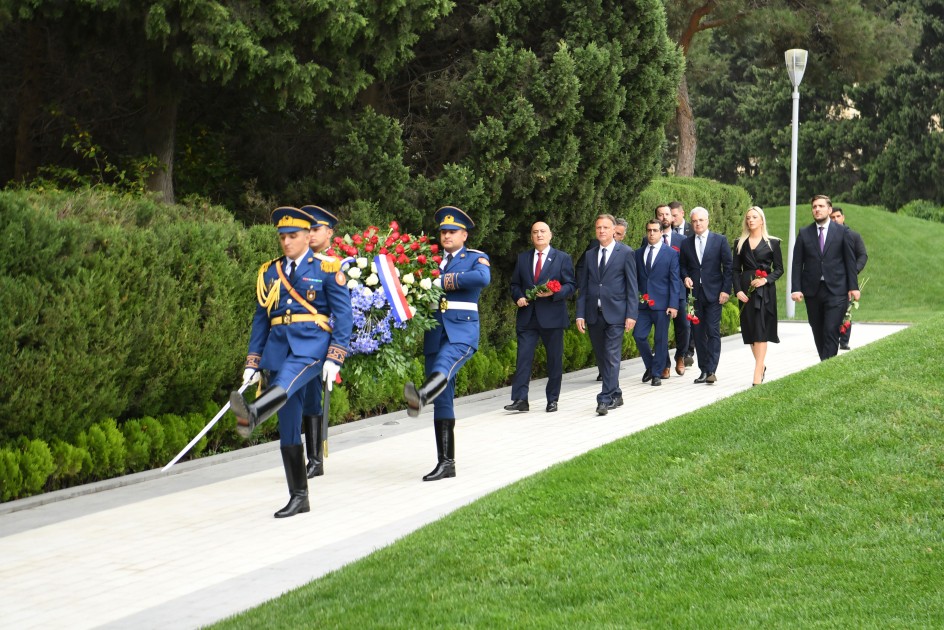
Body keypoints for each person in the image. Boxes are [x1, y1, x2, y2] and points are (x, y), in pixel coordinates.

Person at [230, 206, 352, 518]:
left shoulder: (327, 268)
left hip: (311, 347)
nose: (286, 242)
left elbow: (344, 316)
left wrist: (335, 356)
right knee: (288, 429)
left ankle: (254, 414)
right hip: (278, 350)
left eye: (293, 236)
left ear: (308, 236)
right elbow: (261, 320)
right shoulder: (270, 272)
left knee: (286, 381)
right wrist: (253, 363)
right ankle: (299, 497)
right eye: (282, 237)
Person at [403, 206, 490, 481]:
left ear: (464, 235)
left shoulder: (474, 257)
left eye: (452, 231)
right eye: (443, 232)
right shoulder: (428, 260)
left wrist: (443, 280)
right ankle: (446, 463)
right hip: (435, 333)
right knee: (443, 398)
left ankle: (420, 397)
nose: (447, 236)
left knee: (443, 365)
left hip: (461, 332)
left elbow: (482, 278)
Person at [506, 221, 576, 413]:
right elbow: (514, 285)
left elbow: (571, 285)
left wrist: (555, 292)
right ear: (531, 236)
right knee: (523, 359)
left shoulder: (562, 258)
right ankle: (520, 399)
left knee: (554, 360)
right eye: (535, 232)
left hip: (552, 317)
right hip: (527, 317)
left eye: (543, 231)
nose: (539, 235)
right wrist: (518, 297)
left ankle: (552, 399)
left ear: (550, 235)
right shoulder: (522, 258)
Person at [576, 214, 638, 415]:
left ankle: (604, 399)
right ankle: (616, 393)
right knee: (603, 358)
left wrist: (631, 314)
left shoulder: (626, 253)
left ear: (613, 230)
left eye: (605, 227)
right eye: (598, 227)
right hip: (594, 314)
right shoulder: (590, 255)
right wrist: (580, 314)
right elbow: (584, 287)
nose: (601, 231)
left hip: (616, 314)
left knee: (611, 355)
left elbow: (632, 286)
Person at [791, 195, 860, 361]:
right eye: (814, 206)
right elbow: (797, 263)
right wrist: (796, 288)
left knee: (831, 329)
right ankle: (826, 363)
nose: (817, 209)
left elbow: (850, 261)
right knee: (817, 329)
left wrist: (853, 287)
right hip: (812, 291)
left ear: (829, 210)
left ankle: (827, 366)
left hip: (837, 290)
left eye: (821, 206)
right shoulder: (804, 233)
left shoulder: (843, 232)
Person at [299, 205, 339, 478]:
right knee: (298, 398)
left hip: (319, 341)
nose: (311, 234)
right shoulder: (295, 264)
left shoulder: (334, 265)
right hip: (295, 340)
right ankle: (306, 457)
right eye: (308, 229)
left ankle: (314, 460)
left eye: (316, 229)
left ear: (329, 233)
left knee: (312, 396)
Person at [679, 207, 733, 384]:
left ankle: (711, 370)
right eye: (694, 221)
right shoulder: (686, 243)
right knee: (698, 333)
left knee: (712, 330)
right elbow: (682, 266)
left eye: (701, 220)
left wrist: (726, 290)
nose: (698, 224)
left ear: (708, 221)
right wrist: (685, 277)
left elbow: (728, 267)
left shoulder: (720, 240)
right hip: (693, 296)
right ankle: (703, 370)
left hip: (715, 294)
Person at [732, 206, 784, 385]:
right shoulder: (739, 243)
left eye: (754, 217)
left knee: (761, 329)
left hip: (765, 292)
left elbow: (779, 269)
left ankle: (756, 375)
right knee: (750, 330)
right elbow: (734, 270)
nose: (750, 220)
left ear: (762, 220)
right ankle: (761, 366)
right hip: (745, 290)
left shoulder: (773, 243)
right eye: (748, 218)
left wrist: (765, 280)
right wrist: (737, 290)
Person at [633, 219, 680, 387]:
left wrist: (673, 304)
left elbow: (674, 280)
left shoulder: (671, 253)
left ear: (661, 232)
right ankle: (651, 366)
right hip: (643, 304)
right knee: (638, 335)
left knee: (660, 340)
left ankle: (657, 374)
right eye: (649, 230)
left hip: (662, 305)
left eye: (654, 230)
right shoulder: (638, 253)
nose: (651, 233)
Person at [829, 206, 868, 350]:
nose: (835, 220)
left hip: (846, 280)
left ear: (843, 217)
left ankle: (844, 341)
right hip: (828, 279)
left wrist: (853, 271)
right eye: (832, 217)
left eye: (838, 216)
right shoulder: (824, 236)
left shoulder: (853, 236)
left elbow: (863, 255)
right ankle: (829, 338)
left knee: (845, 309)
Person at [669, 200, 695, 367]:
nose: (672, 219)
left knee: (689, 317)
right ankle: (683, 352)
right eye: (670, 216)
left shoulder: (693, 230)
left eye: (675, 215)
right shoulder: (666, 232)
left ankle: (688, 351)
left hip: (689, 282)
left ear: (682, 213)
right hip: (675, 283)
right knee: (681, 321)